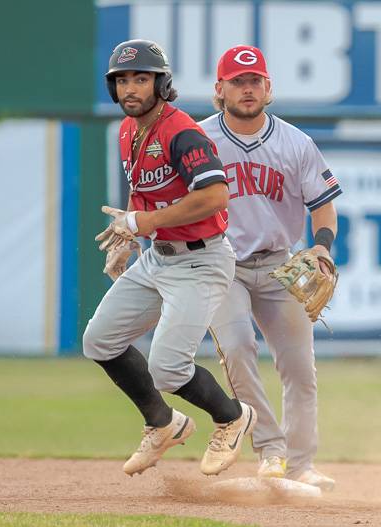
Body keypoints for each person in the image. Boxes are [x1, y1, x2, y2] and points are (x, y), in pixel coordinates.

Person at [83, 39, 256, 477]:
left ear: (161, 82)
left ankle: (232, 417)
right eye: (122, 80)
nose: (131, 88)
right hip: (157, 259)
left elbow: (216, 195)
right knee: (99, 340)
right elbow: (143, 194)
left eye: (141, 78)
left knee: (167, 367)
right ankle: (162, 423)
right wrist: (129, 233)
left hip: (201, 260)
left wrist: (142, 222)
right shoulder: (129, 130)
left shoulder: (182, 132)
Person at [198, 45, 341, 490]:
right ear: (219, 89)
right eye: (237, 82)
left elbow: (323, 207)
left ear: (268, 87)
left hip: (280, 265)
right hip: (222, 264)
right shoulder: (197, 140)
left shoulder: (296, 143)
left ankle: (300, 465)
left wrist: (322, 248)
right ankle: (272, 450)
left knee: (300, 368)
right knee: (238, 347)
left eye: (254, 80)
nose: (247, 89)